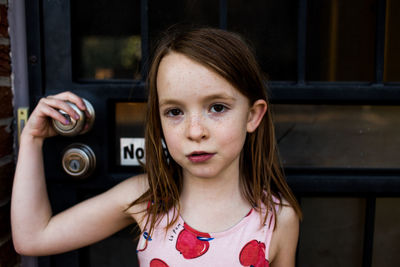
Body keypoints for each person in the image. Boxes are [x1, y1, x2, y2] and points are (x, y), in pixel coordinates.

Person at [11, 27, 302, 266]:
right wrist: (32, 139)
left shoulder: (277, 219)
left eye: (217, 107)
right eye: (175, 112)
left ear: (252, 116)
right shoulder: (147, 199)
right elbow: (32, 238)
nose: (195, 131)